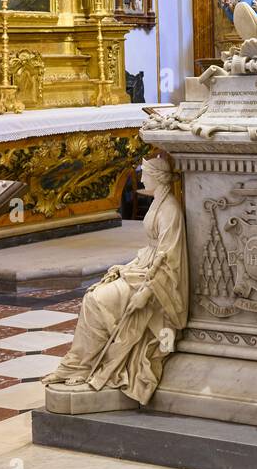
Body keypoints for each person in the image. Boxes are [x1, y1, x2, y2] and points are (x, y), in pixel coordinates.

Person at [43, 157, 188, 404]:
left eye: (146, 174)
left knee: (98, 301)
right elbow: (152, 251)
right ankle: (77, 365)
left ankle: (84, 365)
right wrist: (128, 266)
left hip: (156, 282)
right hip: (142, 268)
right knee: (93, 294)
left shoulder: (169, 210)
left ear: (158, 177)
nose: (141, 179)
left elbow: (170, 259)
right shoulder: (158, 204)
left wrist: (145, 293)